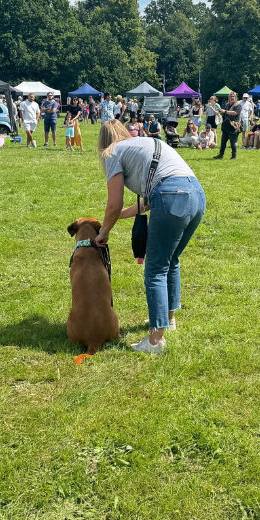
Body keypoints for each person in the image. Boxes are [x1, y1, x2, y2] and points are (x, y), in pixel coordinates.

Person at [95, 120, 206, 354]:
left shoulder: (111, 152)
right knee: (171, 260)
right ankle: (168, 319)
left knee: (155, 268)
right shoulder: (143, 143)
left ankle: (155, 341)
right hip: (196, 194)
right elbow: (147, 201)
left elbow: (114, 203)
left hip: (171, 196)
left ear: (103, 142)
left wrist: (103, 232)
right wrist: (117, 217)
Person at [213, 93, 243, 160]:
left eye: (233, 96)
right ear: (228, 98)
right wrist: (219, 111)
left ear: (235, 98)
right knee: (223, 141)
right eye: (230, 96)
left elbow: (235, 113)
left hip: (233, 126)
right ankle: (221, 155)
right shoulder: (227, 105)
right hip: (226, 125)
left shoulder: (238, 105)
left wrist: (225, 111)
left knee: (233, 142)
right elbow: (224, 113)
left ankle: (234, 156)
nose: (232, 98)